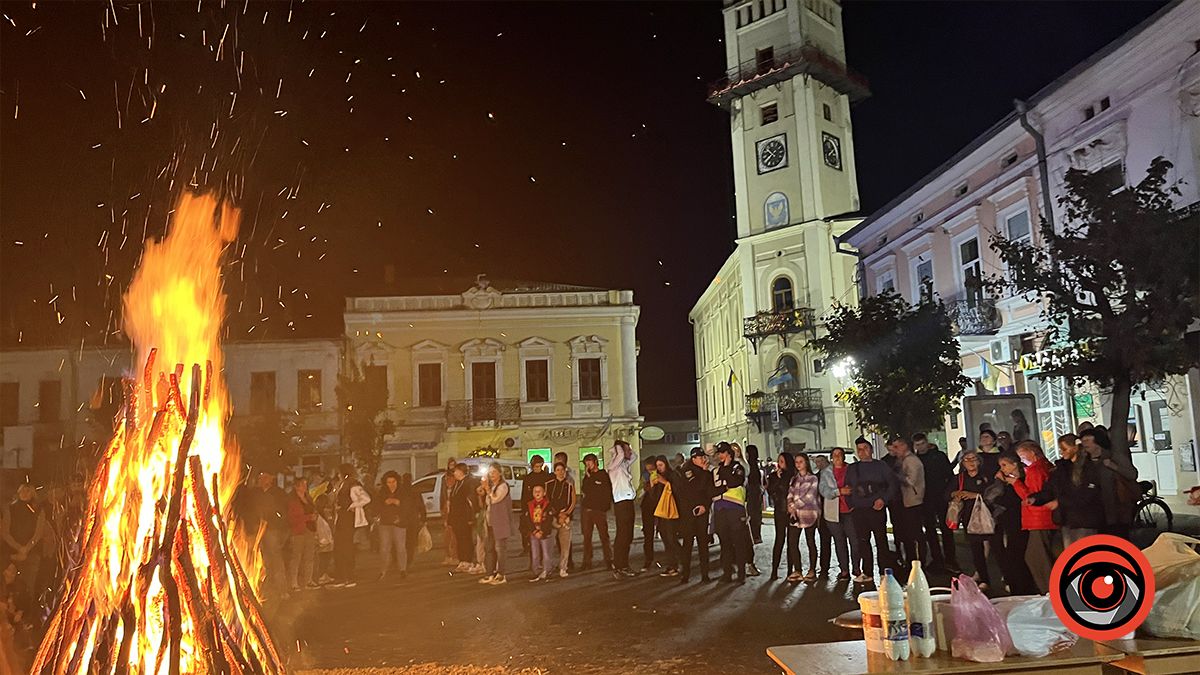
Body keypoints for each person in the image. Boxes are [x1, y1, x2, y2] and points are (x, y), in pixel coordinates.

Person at [1030, 434, 1105, 547]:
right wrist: (1036, 498)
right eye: (1061, 449)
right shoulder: (1061, 469)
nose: (1062, 452)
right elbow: (1050, 488)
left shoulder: (1089, 468)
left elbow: (1087, 494)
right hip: (1066, 519)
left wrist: (1059, 502)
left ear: (1075, 448)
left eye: (1064, 449)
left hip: (1084, 520)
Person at [1005, 441, 1058, 594]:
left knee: (1037, 557)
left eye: (1023, 455)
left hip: (1039, 518)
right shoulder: (1045, 467)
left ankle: (1049, 589)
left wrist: (1016, 483)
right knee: (1039, 555)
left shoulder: (1035, 470)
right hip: (1042, 519)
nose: (1021, 459)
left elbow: (1032, 496)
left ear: (1032, 453)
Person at [846, 438, 898, 583]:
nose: (862, 452)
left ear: (871, 450)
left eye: (865, 448)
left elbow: (892, 484)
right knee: (863, 541)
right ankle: (867, 572)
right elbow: (848, 487)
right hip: (859, 510)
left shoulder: (881, 466)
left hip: (876, 508)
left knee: (881, 540)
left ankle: (884, 571)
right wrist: (851, 504)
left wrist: (883, 499)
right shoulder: (853, 468)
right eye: (859, 449)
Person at [949, 451, 1000, 591]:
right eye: (967, 459)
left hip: (987, 515)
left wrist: (976, 495)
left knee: (997, 547)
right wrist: (956, 494)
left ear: (979, 461)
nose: (971, 462)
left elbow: (994, 493)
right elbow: (947, 493)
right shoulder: (959, 478)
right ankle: (983, 578)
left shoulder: (987, 476)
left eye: (974, 459)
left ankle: (1006, 577)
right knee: (976, 549)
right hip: (968, 516)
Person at [1079, 427, 1137, 540]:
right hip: (1096, 513)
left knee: (1119, 541)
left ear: (1097, 441)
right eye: (1082, 441)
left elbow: (1132, 474)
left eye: (1087, 440)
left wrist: (1113, 466)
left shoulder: (1113, 456)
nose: (1084, 443)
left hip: (1117, 510)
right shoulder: (1083, 461)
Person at [241, 470, 289, 602]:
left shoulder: (277, 493)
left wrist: (281, 526)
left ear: (271, 479)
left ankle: (281, 590)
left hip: (271, 529)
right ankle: (262, 590)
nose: (262, 479)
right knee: (259, 559)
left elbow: (283, 511)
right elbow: (247, 509)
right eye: (261, 477)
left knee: (275, 558)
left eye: (265, 477)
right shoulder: (254, 493)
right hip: (255, 529)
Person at [994, 454, 1039, 595]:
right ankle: (1017, 586)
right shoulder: (1008, 483)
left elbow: (1017, 498)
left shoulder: (1021, 481)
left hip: (1020, 522)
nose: (1002, 469)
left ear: (1014, 464)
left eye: (1005, 465)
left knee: (1017, 556)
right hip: (1009, 522)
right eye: (1001, 466)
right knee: (1011, 556)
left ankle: (1023, 587)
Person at [913, 433, 958, 572]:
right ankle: (937, 559)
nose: (921, 447)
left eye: (922, 444)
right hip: (925, 499)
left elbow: (949, 475)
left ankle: (950, 560)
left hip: (940, 497)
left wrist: (948, 494)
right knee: (930, 530)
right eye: (918, 445)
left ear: (926, 442)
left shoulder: (938, 457)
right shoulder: (916, 459)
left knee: (946, 529)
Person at [672, 447, 716, 583]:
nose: (703, 459)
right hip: (689, 514)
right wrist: (704, 472)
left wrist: (705, 506)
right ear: (694, 459)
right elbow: (696, 488)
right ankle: (685, 575)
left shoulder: (706, 472)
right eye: (700, 457)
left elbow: (709, 491)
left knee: (703, 545)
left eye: (704, 457)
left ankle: (705, 575)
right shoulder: (687, 471)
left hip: (702, 513)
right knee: (688, 545)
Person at [712, 442, 753, 582]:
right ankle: (727, 572)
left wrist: (726, 467)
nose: (720, 456)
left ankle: (741, 573)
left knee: (739, 542)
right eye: (719, 453)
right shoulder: (716, 470)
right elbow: (713, 488)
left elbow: (735, 482)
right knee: (725, 543)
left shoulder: (737, 467)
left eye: (722, 453)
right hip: (720, 509)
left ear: (729, 454)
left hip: (735, 508)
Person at [888, 436, 926, 575]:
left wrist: (895, 475)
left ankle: (917, 563)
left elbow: (911, 481)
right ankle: (911, 562)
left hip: (913, 502)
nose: (894, 450)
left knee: (914, 534)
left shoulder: (911, 461)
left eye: (896, 447)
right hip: (906, 501)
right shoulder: (902, 460)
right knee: (908, 534)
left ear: (904, 446)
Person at [819, 447, 858, 581]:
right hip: (833, 512)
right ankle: (844, 570)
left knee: (855, 541)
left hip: (851, 511)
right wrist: (839, 491)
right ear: (831, 457)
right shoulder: (826, 472)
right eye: (834, 455)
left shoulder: (851, 469)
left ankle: (857, 568)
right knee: (839, 542)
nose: (837, 457)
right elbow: (824, 490)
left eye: (839, 454)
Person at [330, 464, 371, 588]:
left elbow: (366, 498)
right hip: (341, 518)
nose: (338, 475)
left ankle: (348, 576)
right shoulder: (342, 485)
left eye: (339, 472)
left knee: (346, 548)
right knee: (339, 548)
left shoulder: (353, 485)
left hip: (348, 519)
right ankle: (341, 576)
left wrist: (352, 506)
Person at [786, 454, 821, 582]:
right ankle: (798, 570)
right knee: (792, 542)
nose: (798, 464)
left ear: (806, 462)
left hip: (809, 514)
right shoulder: (794, 479)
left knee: (810, 542)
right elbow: (790, 493)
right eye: (796, 462)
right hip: (795, 515)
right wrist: (790, 506)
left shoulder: (813, 479)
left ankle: (812, 570)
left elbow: (810, 496)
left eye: (801, 461)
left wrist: (794, 505)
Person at [607, 440, 638, 579]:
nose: (629, 452)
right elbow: (620, 455)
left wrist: (627, 448)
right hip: (621, 503)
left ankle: (623, 565)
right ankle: (619, 566)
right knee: (622, 536)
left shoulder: (624, 464)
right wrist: (618, 447)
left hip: (628, 502)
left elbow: (635, 456)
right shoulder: (614, 465)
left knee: (628, 536)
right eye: (627, 449)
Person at [579, 453, 614, 571]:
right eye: (586, 463)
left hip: (599, 510)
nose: (588, 464)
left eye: (590, 462)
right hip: (587, 509)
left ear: (595, 462)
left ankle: (609, 560)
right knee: (587, 537)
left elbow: (606, 491)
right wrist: (588, 477)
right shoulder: (587, 477)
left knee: (604, 536)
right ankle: (587, 561)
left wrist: (605, 507)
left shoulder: (603, 474)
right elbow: (585, 489)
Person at [376, 471, 413, 581]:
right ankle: (383, 570)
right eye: (389, 482)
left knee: (400, 547)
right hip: (385, 523)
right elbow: (376, 506)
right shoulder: (382, 492)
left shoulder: (403, 492)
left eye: (393, 482)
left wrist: (399, 503)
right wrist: (385, 502)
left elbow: (408, 507)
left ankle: (403, 569)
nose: (391, 484)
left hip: (399, 523)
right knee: (384, 547)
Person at [480, 463, 512, 586]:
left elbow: (495, 499)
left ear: (500, 473)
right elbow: (487, 502)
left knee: (500, 549)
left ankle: (501, 574)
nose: (491, 474)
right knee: (489, 548)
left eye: (494, 472)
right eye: (490, 472)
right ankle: (490, 573)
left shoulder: (503, 486)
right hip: (490, 521)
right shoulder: (492, 486)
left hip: (500, 522)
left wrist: (487, 489)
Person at [285, 477, 319, 591]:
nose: (305, 487)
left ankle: (308, 581)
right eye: (302, 485)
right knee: (296, 557)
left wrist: (314, 517)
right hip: (298, 531)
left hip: (310, 530)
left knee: (309, 557)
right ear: (297, 487)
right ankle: (294, 582)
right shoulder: (293, 501)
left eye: (306, 484)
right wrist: (308, 517)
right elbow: (292, 518)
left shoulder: (308, 499)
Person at [766, 452, 795, 580]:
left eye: (782, 461)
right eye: (779, 461)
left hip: (792, 511)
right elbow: (770, 491)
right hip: (780, 511)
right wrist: (778, 479)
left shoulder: (793, 476)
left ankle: (790, 570)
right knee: (779, 540)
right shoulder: (774, 476)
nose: (779, 464)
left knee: (791, 542)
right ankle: (774, 570)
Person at [651, 455, 682, 577]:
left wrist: (664, 482)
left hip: (671, 512)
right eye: (657, 466)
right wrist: (653, 485)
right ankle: (671, 565)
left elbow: (678, 490)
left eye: (661, 465)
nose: (659, 468)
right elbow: (654, 497)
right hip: (661, 513)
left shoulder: (673, 475)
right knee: (666, 539)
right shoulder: (657, 477)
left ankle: (681, 562)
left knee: (672, 539)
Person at [447, 464, 480, 574]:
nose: (454, 473)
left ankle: (468, 560)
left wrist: (470, 516)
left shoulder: (468, 483)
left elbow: (470, 501)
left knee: (466, 538)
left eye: (456, 471)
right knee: (459, 539)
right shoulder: (457, 483)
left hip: (464, 516)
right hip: (456, 517)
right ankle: (462, 560)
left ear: (461, 471)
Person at [547, 462, 576, 578]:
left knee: (565, 545)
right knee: (549, 544)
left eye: (562, 470)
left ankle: (563, 567)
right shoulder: (549, 484)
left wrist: (566, 513)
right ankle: (548, 566)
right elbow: (547, 500)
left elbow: (573, 501)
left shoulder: (569, 485)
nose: (560, 472)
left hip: (566, 518)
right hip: (553, 518)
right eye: (558, 470)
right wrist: (555, 513)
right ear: (554, 472)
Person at [519, 456, 553, 556]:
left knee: (542, 528)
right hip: (530, 506)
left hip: (543, 506)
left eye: (540, 466)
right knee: (527, 528)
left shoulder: (546, 477)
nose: (538, 469)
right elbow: (524, 494)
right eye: (536, 467)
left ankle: (542, 550)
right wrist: (524, 509)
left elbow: (549, 493)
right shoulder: (528, 478)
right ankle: (527, 548)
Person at [526, 484, 555, 582]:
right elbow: (527, 520)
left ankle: (547, 571)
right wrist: (534, 531)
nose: (537, 493)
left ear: (544, 493)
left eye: (539, 491)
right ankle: (536, 572)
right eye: (535, 491)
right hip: (534, 532)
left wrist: (542, 531)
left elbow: (549, 520)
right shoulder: (530, 504)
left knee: (547, 553)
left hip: (545, 533)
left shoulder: (548, 504)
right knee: (535, 554)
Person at [639, 456, 660, 573]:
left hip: (660, 506)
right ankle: (648, 559)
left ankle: (674, 559)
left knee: (667, 534)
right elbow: (640, 491)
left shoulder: (661, 475)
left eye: (651, 468)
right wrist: (647, 486)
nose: (649, 470)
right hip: (647, 507)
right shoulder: (645, 476)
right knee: (648, 535)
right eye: (647, 468)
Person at [440, 457, 460, 566]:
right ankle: (448, 556)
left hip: (454, 510)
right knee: (447, 535)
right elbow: (442, 494)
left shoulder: (457, 482)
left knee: (454, 536)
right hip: (446, 510)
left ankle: (455, 556)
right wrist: (442, 508)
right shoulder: (444, 478)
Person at [746, 444, 764, 545]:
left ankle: (754, 535)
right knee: (756, 514)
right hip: (756, 492)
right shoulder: (756, 465)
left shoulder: (749, 465)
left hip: (752, 492)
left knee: (752, 514)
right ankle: (756, 535)